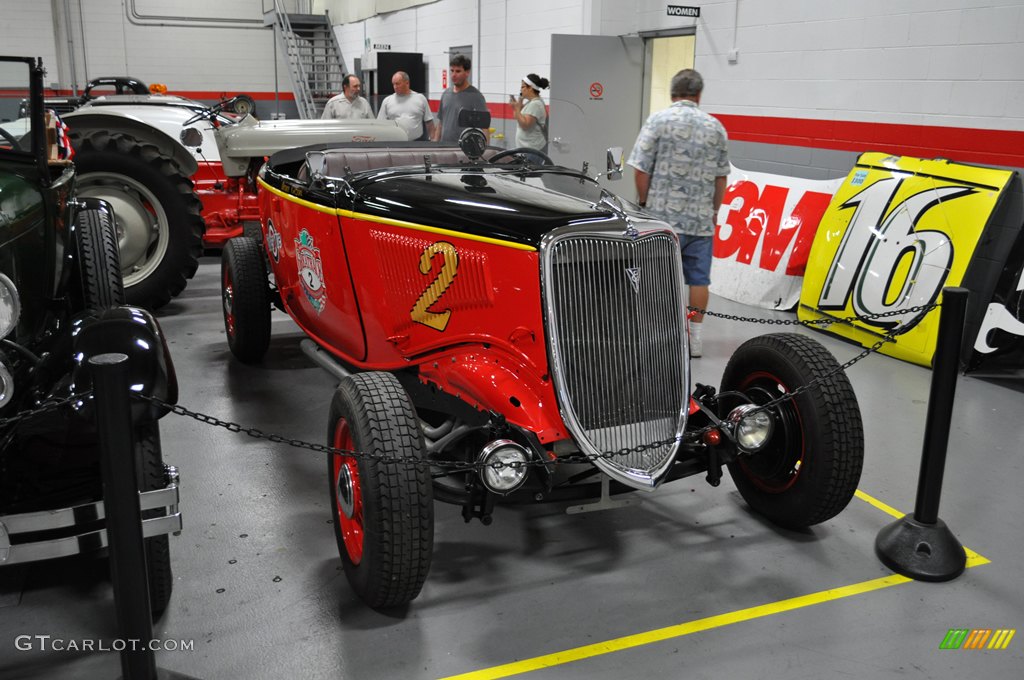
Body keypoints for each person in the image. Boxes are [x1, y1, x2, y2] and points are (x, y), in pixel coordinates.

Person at [627, 68, 729, 358]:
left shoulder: (658, 121)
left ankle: (657, 336)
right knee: (698, 280)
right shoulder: (715, 127)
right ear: (698, 94)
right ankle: (694, 340)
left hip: (662, 221)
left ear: (673, 94)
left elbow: (641, 168)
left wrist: (645, 204)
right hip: (699, 221)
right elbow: (721, 178)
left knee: (655, 276)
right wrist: (714, 210)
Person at [433, 54, 488, 143]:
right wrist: (435, 143)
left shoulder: (476, 96)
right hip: (444, 147)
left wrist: (485, 150)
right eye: (452, 71)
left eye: (458, 71)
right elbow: (440, 123)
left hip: (464, 148)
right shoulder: (446, 94)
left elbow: (484, 127)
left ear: (467, 72)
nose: (453, 75)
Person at [377, 71, 436, 141]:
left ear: (407, 83)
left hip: (417, 141)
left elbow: (429, 122)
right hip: (394, 141)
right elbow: (380, 124)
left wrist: (433, 140)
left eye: (398, 84)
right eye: (393, 84)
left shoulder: (420, 98)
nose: (395, 87)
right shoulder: (387, 101)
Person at [511, 73, 549, 151]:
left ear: (530, 88)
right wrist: (518, 103)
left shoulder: (536, 104)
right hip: (527, 148)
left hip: (533, 150)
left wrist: (517, 108)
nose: (521, 89)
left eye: (523, 87)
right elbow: (517, 117)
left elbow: (525, 125)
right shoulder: (530, 103)